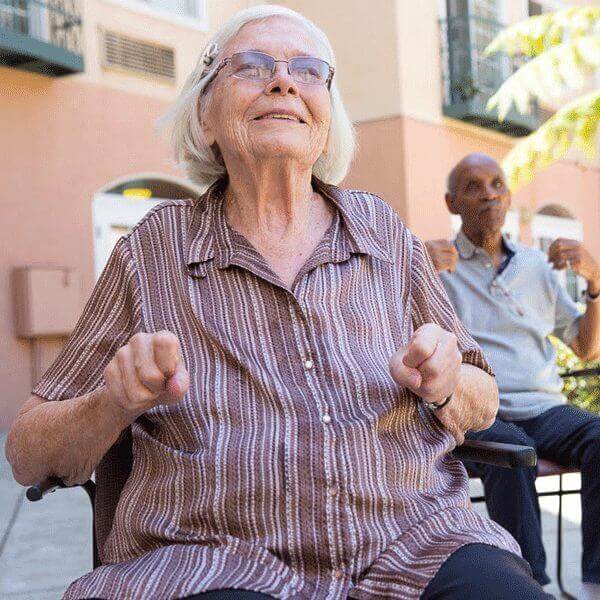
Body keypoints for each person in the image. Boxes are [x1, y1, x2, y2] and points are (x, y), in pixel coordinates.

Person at [5, 8, 549, 599]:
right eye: (251, 66)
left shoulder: (382, 232)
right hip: (214, 563)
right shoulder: (153, 250)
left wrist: (447, 382)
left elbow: (484, 401)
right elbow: (28, 454)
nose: (284, 80)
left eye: (308, 70)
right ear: (206, 115)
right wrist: (111, 403)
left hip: (415, 544)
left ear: (325, 121)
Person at [426, 152, 600, 592]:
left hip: (544, 408)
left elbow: (584, 347)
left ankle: (596, 580)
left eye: (497, 185)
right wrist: (415, 271)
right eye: (474, 187)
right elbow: (390, 333)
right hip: (480, 410)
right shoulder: (435, 266)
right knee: (512, 449)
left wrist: (596, 282)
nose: (489, 194)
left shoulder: (538, 266)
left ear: (508, 198)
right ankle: (531, 586)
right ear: (451, 203)